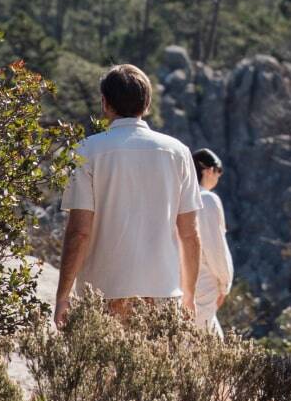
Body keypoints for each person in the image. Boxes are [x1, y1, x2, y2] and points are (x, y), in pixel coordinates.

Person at [54, 64, 203, 326]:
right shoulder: (177, 152)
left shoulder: (86, 152)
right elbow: (189, 233)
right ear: (147, 104)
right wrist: (189, 294)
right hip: (163, 293)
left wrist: (62, 296)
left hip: (100, 293)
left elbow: (79, 232)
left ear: (105, 103)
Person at [192, 148, 234, 337]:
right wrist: (225, 284)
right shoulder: (207, 200)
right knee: (211, 348)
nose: (218, 177)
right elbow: (216, 249)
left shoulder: (176, 197)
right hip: (203, 284)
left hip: (172, 284)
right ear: (209, 170)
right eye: (219, 172)